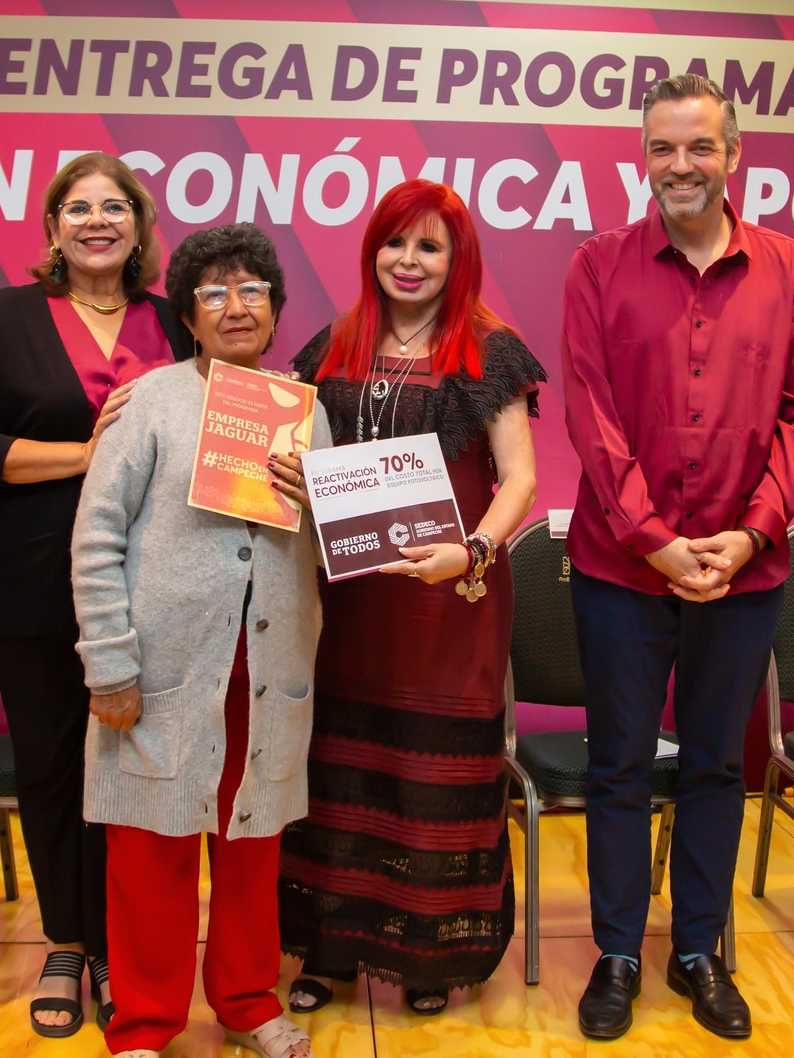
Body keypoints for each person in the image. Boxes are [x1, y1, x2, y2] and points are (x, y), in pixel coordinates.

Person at [561, 74, 794, 1041]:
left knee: (719, 764)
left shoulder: (791, 268)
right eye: (663, 147)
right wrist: (656, 541)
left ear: (734, 153)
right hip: (621, 568)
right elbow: (589, 411)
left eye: (700, 146)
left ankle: (699, 951)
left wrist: (753, 532)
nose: (682, 165)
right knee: (619, 767)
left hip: (744, 569)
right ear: (644, 155)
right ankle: (618, 953)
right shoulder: (597, 264)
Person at [277, 180, 543, 1015]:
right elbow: (297, 452)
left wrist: (472, 550)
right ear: (372, 250)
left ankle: (431, 956)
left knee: (432, 772)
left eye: (430, 246)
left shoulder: (492, 348)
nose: (409, 260)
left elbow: (520, 478)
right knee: (334, 769)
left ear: (458, 259)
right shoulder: (335, 341)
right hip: (347, 603)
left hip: (450, 598)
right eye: (395, 242)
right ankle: (328, 949)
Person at [0, 153, 191, 1036]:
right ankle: (66, 940)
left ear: (139, 225)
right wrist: (89, 457)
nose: (96, 221)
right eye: (77, 207)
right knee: (51, 764)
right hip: (34, 578)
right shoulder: (8, 316)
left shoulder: (176, 318)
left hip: (156, 587)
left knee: (133, 773)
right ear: (53, 227)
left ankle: (121, 947)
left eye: (114, 206)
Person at [73, 224, 331, 1058]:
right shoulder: (148, 401)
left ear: (276, 310)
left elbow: (334, 547)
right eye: (213, 292)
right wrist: (110, 665)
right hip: (167, 671)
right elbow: (96, 537)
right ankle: (144, 1024)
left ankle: (248, 1004)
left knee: (252, 845)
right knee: (151, 850)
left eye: (252, 289)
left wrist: (319, 498)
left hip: (267, 672)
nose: (235, 306)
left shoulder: (306, 411)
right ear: (187, 315)